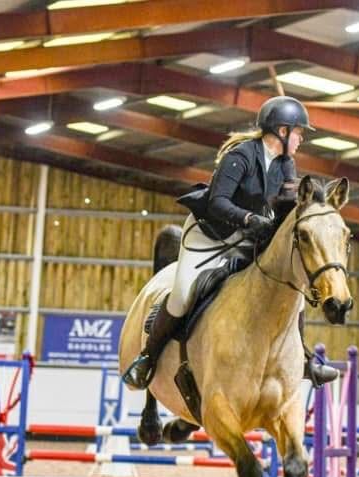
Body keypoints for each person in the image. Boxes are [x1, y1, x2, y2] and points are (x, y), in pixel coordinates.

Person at [122, 95, 340, 390]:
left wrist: (311, 210)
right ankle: (147, 358)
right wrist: (251, 219)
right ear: (282, 131)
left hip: (248, 236)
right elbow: (217, 203)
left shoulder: (286, 164)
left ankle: (302, 358)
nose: (302, 139)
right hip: (209, 233)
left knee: (294, 287)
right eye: (299, 132)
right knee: (184, 294)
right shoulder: (240, 156)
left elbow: (289, 204)